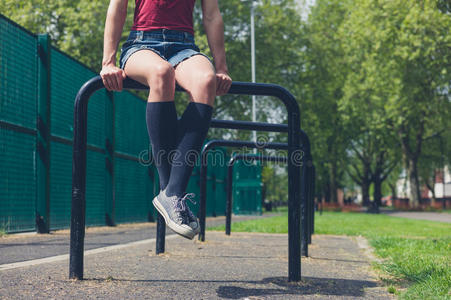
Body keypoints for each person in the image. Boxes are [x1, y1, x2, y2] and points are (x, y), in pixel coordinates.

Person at [100, 0, 232, 239]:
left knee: (206, 80)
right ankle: (169, 191)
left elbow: (212, 15)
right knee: (162, 73)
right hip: (141, 45)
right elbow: (117, 7)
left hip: (185, 47)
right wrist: (108, 62)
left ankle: (173, 193)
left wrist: (221, 67)